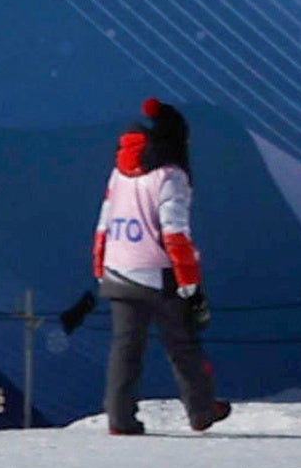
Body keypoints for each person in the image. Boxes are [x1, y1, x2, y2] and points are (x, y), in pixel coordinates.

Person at [88, 100, 227, 436]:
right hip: (158, 272)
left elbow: (104, 222)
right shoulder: (170, 176)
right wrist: (190, 281)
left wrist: (100, 267)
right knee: (182, 344)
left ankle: (120, 419)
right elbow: (175, 231)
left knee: (125, 349)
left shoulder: (119, 172)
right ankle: (201, 409)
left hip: (118, 270)